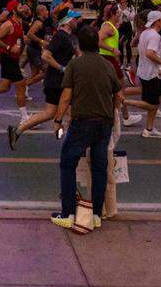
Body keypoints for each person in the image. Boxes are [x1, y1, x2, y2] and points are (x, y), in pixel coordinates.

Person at [50, 15, 123, 230]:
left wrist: (58, 120)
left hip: (83, 122)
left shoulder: (75, 65)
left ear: (79, 44)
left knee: (67, 162)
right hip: (105, 122)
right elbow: (119, 96)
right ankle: (96, 216)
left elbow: (65, 97)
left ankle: (68, 213)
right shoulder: (108, 65)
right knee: (99, 167)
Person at [9, 11, 80, 149]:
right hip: (57, 81)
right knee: (70, 112)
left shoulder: (68, 37)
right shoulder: (60, 36)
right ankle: (71, 144)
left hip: (58, 81)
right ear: (68, 21)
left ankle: (17, 130)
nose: (77, 21)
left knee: (50, 113)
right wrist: (62, 68)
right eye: (75, 19)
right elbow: (46, 56)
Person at [126, 10, 161, 138]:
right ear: (157, 22)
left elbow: (148, 51)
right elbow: (149, 53)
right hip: (150, 74)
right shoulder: (155, 36)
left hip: (145, 71)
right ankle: (125, 102)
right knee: (153, 104)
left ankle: (149, 130)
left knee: (155, 101)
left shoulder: (145, 33)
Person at [116, 0, 136, 69]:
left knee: (128, 45)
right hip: (120, 26)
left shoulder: (131, 7)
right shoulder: (117, 6)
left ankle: (128, 63)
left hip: (128, 26)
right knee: (120, 44)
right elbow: (116, 16)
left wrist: (124, 11)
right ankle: (121, 63)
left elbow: (132, 17)